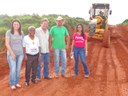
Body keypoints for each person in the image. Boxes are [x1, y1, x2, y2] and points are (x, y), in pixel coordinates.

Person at [5, 19, 24, 90]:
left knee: (18, 69)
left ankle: (16, 82)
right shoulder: (9, 32)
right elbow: (7, 44)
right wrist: (12, 53)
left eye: (17, 24)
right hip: (11, 54)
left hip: (20, 54)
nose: (16, 25)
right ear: (12, 25)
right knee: (13, 69)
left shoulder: (21, 33)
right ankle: (12, 83)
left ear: (19, 25)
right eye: (14, 24)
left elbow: (23, 43)